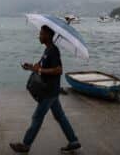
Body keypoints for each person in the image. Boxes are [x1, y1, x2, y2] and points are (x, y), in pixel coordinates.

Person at [10, 25, 81, 153]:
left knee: (37, 118)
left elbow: (59, 70)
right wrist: (30, 67)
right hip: (52, 91)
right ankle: (73, 141)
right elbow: (40, 67)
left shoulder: (53, 51)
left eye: (42, 34)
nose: (39, 36)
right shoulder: (47, 50)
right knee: (60, 116)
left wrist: (40, 69)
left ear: (48, 36)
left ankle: (26, 144)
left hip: (48, 91)